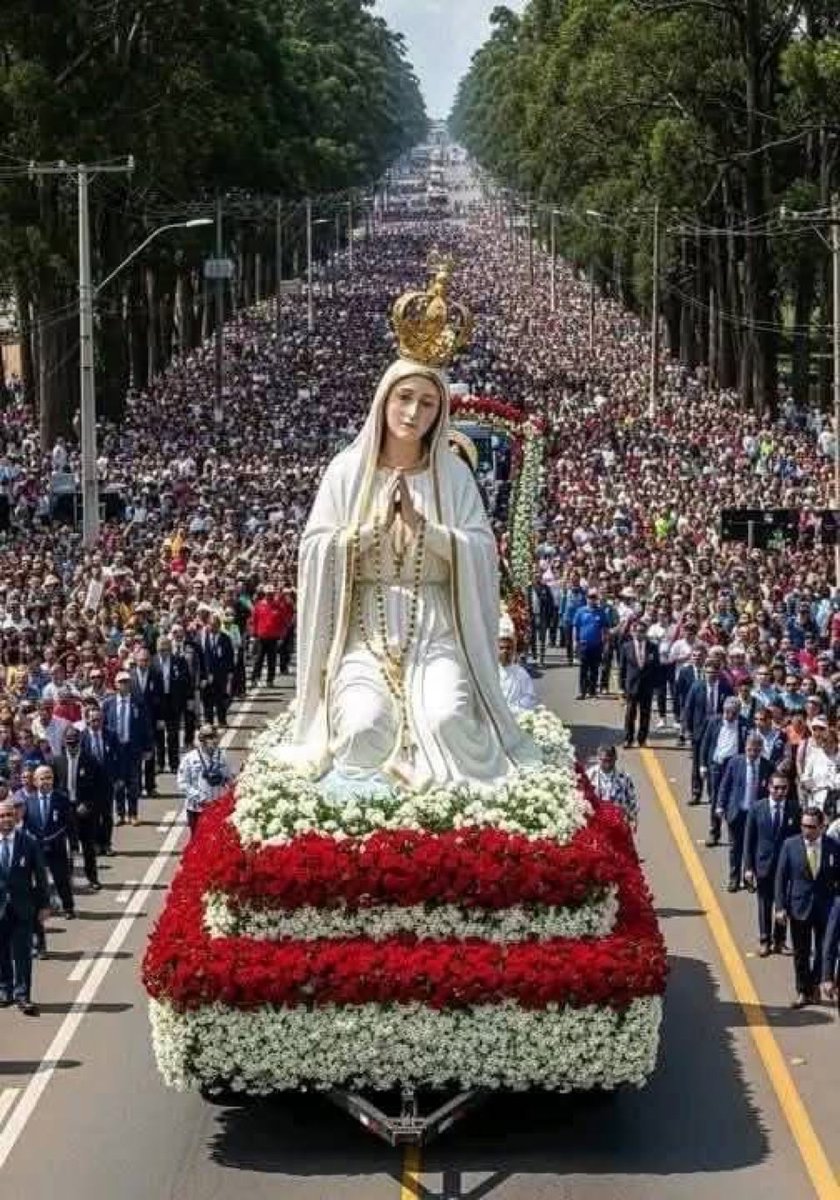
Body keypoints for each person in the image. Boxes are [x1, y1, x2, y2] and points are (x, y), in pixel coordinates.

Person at [280, 266, 539, 788]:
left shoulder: (455, 477)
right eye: (404, 398)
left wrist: (429, 532)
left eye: (426, 402)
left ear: (439, 411)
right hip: (364, 636)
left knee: (447, 724)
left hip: (436, 631)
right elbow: (313, 552)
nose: (413, 412)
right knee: (362, 730)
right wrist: (367, 536)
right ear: (384, 400)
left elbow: (484, 554)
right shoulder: (346, 472)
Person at [775, 806, 840, 1007]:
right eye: (804, 826)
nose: (807, 830)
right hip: (799, 907)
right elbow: (781, 877)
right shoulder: (790, 845)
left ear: (822, 826)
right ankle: (803, 990)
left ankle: (814, 984)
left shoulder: (833, 847)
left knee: (824, 949)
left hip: (825, 909)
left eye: (812, 827)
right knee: (801, 953)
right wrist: (780, 907)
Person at [0, 797, 49, 1015]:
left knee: (22, 955)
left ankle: (23, 996)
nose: (6, 819)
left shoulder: (28, 842)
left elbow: (40, 876)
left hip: (23, 908)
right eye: (1, 816)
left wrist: (44, 905)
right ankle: (5, 990)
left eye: (9, 814)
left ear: (16, 816)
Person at [744, 773, 801, 956]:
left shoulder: (794, 809)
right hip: (764, 865)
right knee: (764, 903)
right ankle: (764, 939)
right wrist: (748, 867)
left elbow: (798, 839)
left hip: (785, 867)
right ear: (769, 787)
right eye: (776, 787)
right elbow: (749, 840)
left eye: (783, 788)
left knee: (782, 903)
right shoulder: (757, 808)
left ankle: (780, 940)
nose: (780, 791)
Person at [715, 731, 773, 890]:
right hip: (737, 811)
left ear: (761, 749)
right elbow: (725, 785)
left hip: (756, 815)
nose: (752, 754)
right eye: (749, 750)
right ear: (745, 748)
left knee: (754, 846)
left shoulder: (767, 766)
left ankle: (749, 877)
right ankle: (734, 878)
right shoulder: (735, 762)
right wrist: (720, 806)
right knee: (735, 847)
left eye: (756, 750)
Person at [51, 726, 102, 892]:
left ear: (80, 741)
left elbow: (99, 787)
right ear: (64, 743)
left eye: (75, 741)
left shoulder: (90, 760)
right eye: (69, 742)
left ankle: (92, 878)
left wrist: (87, 804)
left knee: (88, 846)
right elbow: (53, 787)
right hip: (65, 810)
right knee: (67, 848)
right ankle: (69, 880)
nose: (72, 745)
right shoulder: (56, 761)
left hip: (84, 809)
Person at [102, 671, 153, 826]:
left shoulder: (138, 702)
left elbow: (146, 726)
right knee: (118, 782)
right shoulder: (108, 703)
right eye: (120, 682)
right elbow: (103, 726)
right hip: (116, 749)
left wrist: (148, 748)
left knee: (133, 783)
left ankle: (133, 813)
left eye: (126, 681)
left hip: (133, 748)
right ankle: (120, 813)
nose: (123, 684)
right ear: (115, 684)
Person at [24, 764, 74, 918]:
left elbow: (70, 824)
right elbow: (26, 825)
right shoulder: (29, 802)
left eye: (49, 778)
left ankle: (68, 907)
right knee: (39, 880)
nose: (46, 781)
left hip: (57, 846)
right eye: (42, 778)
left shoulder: (62, 799)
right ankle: (43, 907)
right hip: (37, 848)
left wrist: (73, 845)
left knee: (61, 878)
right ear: (35, 781)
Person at [701, 696, 751, 847]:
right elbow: (706, 743)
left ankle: (732, 832)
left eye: (733, 713)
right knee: (716, 798)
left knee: (733, 799)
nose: (729, 716)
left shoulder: (744, 725)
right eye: (727, 712)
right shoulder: (714, 722)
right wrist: (703, 765)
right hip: (717, 765)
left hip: (735, 765)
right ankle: (714, 831)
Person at [683, 660, 734, 804]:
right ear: (704, 672)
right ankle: (696, 793)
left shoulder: (725, 688)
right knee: (697, 763)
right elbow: (689, 708)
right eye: (708, 672)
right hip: (699, 731)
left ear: (718, 673)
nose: (710, 675)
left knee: (714, 763)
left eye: (713, 672)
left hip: (718, 733)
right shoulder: (697, 686)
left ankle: (713, 794)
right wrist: (687, 729)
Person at [176, 724, 233, 837]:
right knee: (197, 840)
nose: (214, 741)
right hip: (197, 809)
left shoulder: (222, 757)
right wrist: (198, 797)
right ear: (202, 740)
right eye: (210, 738)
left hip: (217, 807)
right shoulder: (190, 758)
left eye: (215, 737)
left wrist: (224, 780)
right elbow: (182, 782)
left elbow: (229, 778)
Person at [152, 634, 193, 773]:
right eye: (160, 650)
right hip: (158, 703)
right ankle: (160, 763)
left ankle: (174, 763)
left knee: (173, 734)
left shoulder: (179, 661)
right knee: (158, 735)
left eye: (165, 650)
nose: (162, 652)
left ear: (170, 649)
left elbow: (187, 681)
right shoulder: (152, 662)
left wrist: (189, 699)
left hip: (174, 701)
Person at [618, 616, 659, 749]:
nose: (639, 633)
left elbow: (656, 667)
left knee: (645, 714)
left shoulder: (653, 647)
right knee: (630, 714)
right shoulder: (626, 647)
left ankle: (642, 739)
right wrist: (621, 688)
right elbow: (622, 669)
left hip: (647, 686)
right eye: (637, 631)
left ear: (645, 632)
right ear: (633, 632)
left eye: (642, 631)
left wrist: (655, 685)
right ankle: (628, 739)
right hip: (632, 686)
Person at [587, 744, 639, 830]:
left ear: (615, 758)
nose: (607, 764)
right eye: (604, 760)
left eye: (609, 760)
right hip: (596, 823)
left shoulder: (624, 777)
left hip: (618, 823)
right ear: (598, 759)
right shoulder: (589, 775)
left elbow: (632, 799)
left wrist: (633, 819)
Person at [573, 589, 609, 699]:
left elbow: (605, 629)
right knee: (583, 669)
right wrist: (575, 641)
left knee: (594, 669)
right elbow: (575, 627)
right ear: (587, 598)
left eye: (594, 597)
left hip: (597, 645)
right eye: (590, 597)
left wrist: (606, 644)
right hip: (584, 644)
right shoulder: (580, 611)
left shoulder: (601, 612)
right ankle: (582, 692)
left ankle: (592, 692)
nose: (592, 600)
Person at [498, 614, 536, 713]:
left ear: (513, 650)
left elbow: (529, 697)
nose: (505, 651)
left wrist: (514, 709)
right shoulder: (489, 672)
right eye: (501, 648)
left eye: (508, 648)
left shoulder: (521, 673)